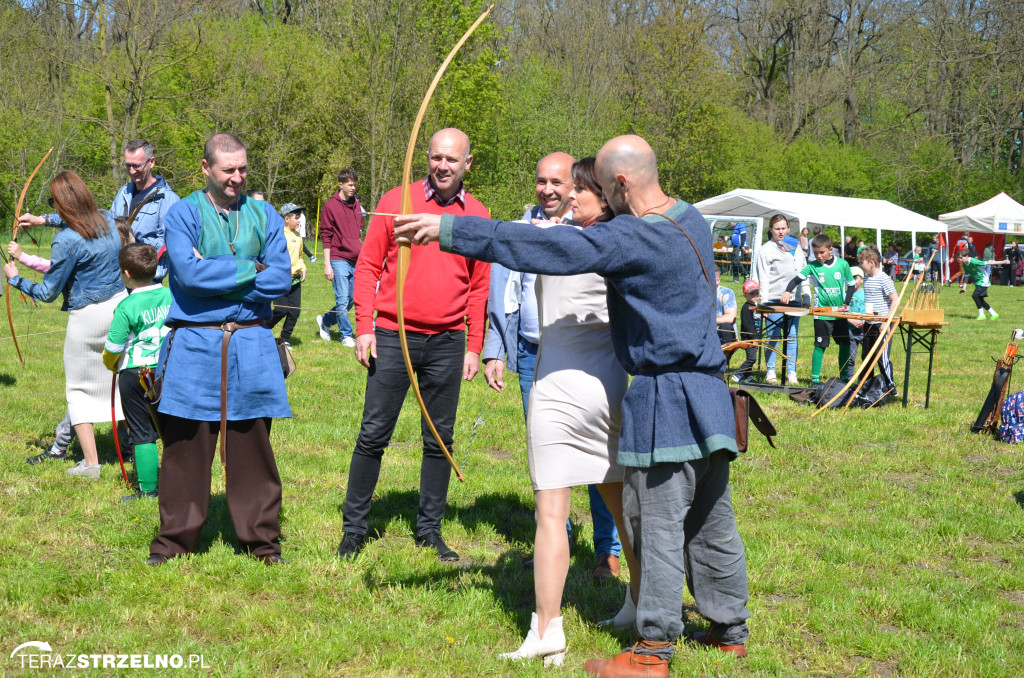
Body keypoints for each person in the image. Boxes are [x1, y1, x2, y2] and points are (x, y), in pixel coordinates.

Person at [395, 134, 750, 676]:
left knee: (653, 522)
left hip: (668, 397)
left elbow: (556, 248)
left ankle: (652, 651)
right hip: (712, 397)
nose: (602, 200)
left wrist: (448, 230)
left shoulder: (633, 236)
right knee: (709, 519)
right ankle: (730, 630)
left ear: (623, 184)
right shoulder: (691, 218)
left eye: (605, 188)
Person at [499, 157, 641, 667]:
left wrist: (441, 231)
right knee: (618, 506)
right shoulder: (623, 240)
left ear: (603, 197)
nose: (570, 196)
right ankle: (636, 604)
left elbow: (503, 242)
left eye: (579, 189)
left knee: (554, 512)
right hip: (601, 389)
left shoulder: (575, 240)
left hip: (562, 389)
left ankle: (548, 628)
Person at [336, 128, 490, 563]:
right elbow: (366, 266)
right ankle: (354, 530)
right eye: (436, 157)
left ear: (467, 164)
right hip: (392, 334)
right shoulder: (394, 201)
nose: (442, 165)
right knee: (373, 433)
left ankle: (429, 531)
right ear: (427, 157)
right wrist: (364, 325)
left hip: (447, 341)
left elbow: (480, 286)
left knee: (440, 440)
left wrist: (473, 344)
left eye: (452, 159)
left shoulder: (477, 214)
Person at [147, 133, 292, 566]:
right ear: (207, 168)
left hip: (250, 342)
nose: (237, 177)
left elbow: (281, 279)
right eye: (228, 170)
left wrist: (218, 272)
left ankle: (262, 542)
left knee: (253, 448)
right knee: (185, 449)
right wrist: (252, 269)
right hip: (195, 343)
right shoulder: (183, 213)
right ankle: (174, 541)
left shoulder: (264, 214)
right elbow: (187, 277)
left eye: (243, 169)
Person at [482, 152, 624, 581]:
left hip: (590, 361)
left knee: (602, 461)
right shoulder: (524, 228)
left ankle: (608, 551)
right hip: (532, 355)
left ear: (579, 188)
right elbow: (501, 289)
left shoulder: (597, 233)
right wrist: (495, 350)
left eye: (559, 183)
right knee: (546, 458)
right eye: (541, 181)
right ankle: (554, 541)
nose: (548, 190)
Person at [5, 171, 127, 479]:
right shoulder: (107, 218)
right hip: (119, 307)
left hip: (87, 317)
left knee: (80, 390)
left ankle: (91, 464)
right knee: (121, 381)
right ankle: (133, 445)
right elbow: (81, 221)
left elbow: (48, 292)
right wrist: (42, 220)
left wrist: (15, 279)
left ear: (61, 204)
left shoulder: (66, 242)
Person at [20, 140, 179, 281]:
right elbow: (99, 222)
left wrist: (131, 242)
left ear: (152, 162)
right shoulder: (124, 192)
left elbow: (170, 244)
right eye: (127, 165)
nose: (131, 171)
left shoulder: (168, 200)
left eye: (136, 165)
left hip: (146, 280)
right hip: (120, 277)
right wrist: (43, 220)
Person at [101, 243, 172, 501]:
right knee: (173, 427)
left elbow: (112, 348)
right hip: (168, 368)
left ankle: (148, 490)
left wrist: (110, 364)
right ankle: (182, 481)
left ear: (126, 274)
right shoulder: (171, 296)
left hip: (136, 373)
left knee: (142, 431)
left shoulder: (126, 306)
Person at [782, 234, 855, 385]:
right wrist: (787, 291)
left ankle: (843, 378)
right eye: (815, 253)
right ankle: (814, 380)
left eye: (822, 252)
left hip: (839, 314)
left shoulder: (842, 264)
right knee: (820, 345)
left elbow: (852, 285)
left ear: (830, 250)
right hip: (821, 314)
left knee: (845, 344)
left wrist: (846, 303)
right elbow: (796, 280)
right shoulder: (812, 266)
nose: (819, 256)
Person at [752, 213, 805, 385]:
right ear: (771, 230)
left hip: (794, 299)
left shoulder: (794, 246)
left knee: (792, 335)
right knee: (773, 335)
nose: (781, 232)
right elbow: (764, 278)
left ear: (788, 229)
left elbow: (803, 271)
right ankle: (771, 370)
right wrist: (764, 303)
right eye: (777, 229)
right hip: (774, 300)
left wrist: (805, 294)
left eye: (783, 228)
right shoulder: (765, 250)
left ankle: (791, 371)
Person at [316, 168, 363, 347]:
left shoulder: (357, 205)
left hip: (356, 259)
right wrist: (327, 264)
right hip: (338, 258)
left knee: (353, 298)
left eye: (355, 185)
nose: (353, 188)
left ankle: (326, 321)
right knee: (342, 299)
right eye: (350, 185)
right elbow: (326, 237)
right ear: (340, 184)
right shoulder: (330, 206)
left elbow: (358, 231)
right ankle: (346, 336)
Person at [858, 246, 899, 392]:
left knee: (882, 357)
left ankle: (890, 387)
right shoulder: (867, 278)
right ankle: (867, 386)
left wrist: (886, 320)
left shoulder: (884, 279)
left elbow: (895, 300)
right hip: (869, 323)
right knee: (867, 356)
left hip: (882, 324)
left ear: (871, 262)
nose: (860, 265)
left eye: (861, 262)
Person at [268, 203, 307, 345]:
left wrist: (302, 267)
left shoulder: (298, 236)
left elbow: (300, 255)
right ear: (286, 218)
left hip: (295, 280)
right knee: (281, 309)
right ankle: (263, 329)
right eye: (296, 218)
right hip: (281, 278)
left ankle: (284, 339)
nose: (299, 221)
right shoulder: (278, 235)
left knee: (294, 312)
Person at [957, 248, 1009, 320]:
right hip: (978, 281)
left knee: (975, 296)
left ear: (966, 256)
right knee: (980, 299)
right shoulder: (965, 265)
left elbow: (988, 263)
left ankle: (981, 315)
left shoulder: (974, 261)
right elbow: (967, 276)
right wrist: (964, 287)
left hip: (983, 280)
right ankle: (993, 314)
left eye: (961, 258)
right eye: (959, 258)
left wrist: (1003, 261)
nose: (960, 259)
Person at [731, 280, 760, 384]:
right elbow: (748, 325)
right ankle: (738, 374)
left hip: (754, 337)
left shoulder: (754, 306)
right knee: (752, 359)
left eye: (757, 293)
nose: (755, 296)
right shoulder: (746, 307)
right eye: (752, 294)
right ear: (745, 295)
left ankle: (748, 377)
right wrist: (754, 339)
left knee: (750, 357)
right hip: (750, 338)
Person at [844, 266, 866, 381]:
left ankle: (863, 380)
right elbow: (841, 312)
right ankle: (849, 381)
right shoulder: (845, 294)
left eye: (855, 278)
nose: (851, 280)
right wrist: (851, 320)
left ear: (861, 279)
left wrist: (865, 321)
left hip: (864, 330)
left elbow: (871, 309)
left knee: (867, 356)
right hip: (850, 330)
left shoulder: (867, 293)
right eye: (849, 278)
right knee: (850, 358)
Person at [714, 265, 737, 345]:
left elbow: (731, 317)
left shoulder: (727, 293)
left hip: (723, 336)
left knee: (725, 326)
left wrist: (708, 321)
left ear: (717, 280)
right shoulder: (698, 293)